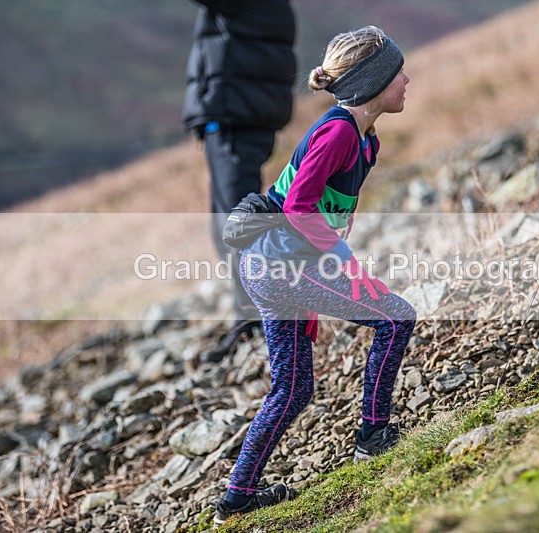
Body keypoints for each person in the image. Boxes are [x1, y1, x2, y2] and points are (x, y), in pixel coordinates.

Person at [212, 26, 416, 525]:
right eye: (397, 73)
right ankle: (373, 436)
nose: (408, 79)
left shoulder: (364, 140)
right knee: (395, 318)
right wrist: (348, 266)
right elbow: (301, 208)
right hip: (281, 265)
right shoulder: (341, 132)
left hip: (273, 266)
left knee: (293, 387)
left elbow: (320, 213)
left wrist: (315, 288)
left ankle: (237, 497)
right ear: (372, 83)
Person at [181, 0, 297, 362]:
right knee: (229, 226)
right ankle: (251, 318)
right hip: (233, 120)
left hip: (237, 122)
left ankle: (267, 321)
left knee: (238, 226)